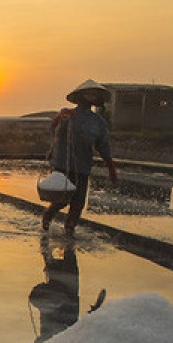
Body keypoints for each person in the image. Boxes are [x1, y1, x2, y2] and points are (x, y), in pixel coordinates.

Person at [41, 79, 118, 237]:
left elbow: (103, 145)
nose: (90, 98)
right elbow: (51, 128)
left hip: (83, 166)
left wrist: (110, 166)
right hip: (63, 164)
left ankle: (69, 229)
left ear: (96, 99)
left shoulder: (98, 122)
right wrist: (59, 118)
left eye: (93, 95)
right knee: (62, 199)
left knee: (78, 202)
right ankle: (47, 217)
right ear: (80, 97)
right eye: (87, 94)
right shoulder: (67, 114)